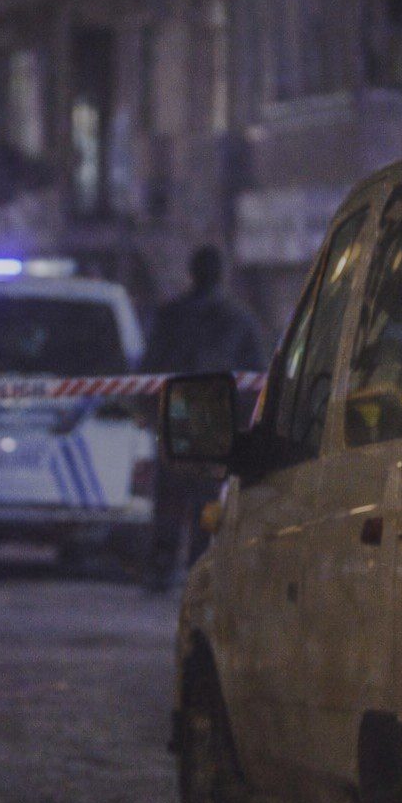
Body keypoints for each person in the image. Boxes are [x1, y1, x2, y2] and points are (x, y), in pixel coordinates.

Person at [143, 245, 265, 593]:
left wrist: (152, 414)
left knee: (173, 493)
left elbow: (150, 368)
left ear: (192, 273)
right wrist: (243, 423)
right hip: (214, 416)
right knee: (203, 495)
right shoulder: (239, 319)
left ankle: (164, 565)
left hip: (178, 411)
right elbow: (254, 376)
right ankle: (199, 566)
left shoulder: (173, 316)